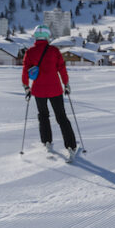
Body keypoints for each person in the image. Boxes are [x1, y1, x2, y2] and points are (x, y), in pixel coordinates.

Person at [22, 24, 78, 159]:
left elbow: (25, 71)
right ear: (48, 36)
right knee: (61, 117)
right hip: (55, 89)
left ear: (35, 36)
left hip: (38, 90)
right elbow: (62, 69)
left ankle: (46, 141)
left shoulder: (30, 52)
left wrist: (26, 87)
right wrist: (66, 84)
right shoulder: (54, 51)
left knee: (43, 115)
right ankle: (70, 145)